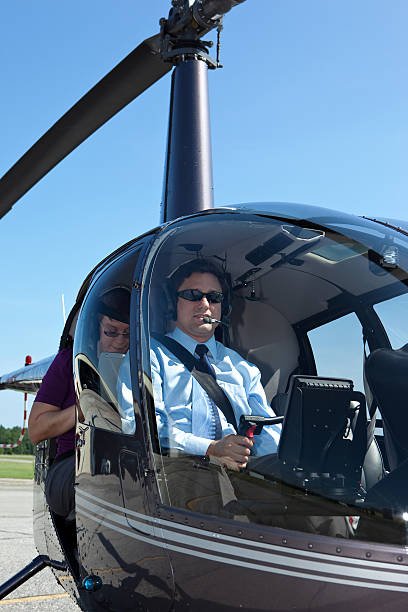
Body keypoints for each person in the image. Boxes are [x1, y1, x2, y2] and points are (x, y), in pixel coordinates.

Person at [151, 258, 281, 471]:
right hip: (173, 476)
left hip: (241, 479)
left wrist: (277, 469)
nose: (205, 305)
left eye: (214, 297)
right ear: (171, 303)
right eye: (193, 295)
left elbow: (268, 431)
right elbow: (143, 427)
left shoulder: (243, 368)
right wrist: (211, 448)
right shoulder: (151, 356)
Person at [28, 287, 130, 518]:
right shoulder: (68, 361)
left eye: (127, 334)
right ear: (96, 328)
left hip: (126, 459)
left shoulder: (139, 362)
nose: (119, 341)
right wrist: (86, 407)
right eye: (111, 332)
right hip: (71, 463)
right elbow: (36, 430)